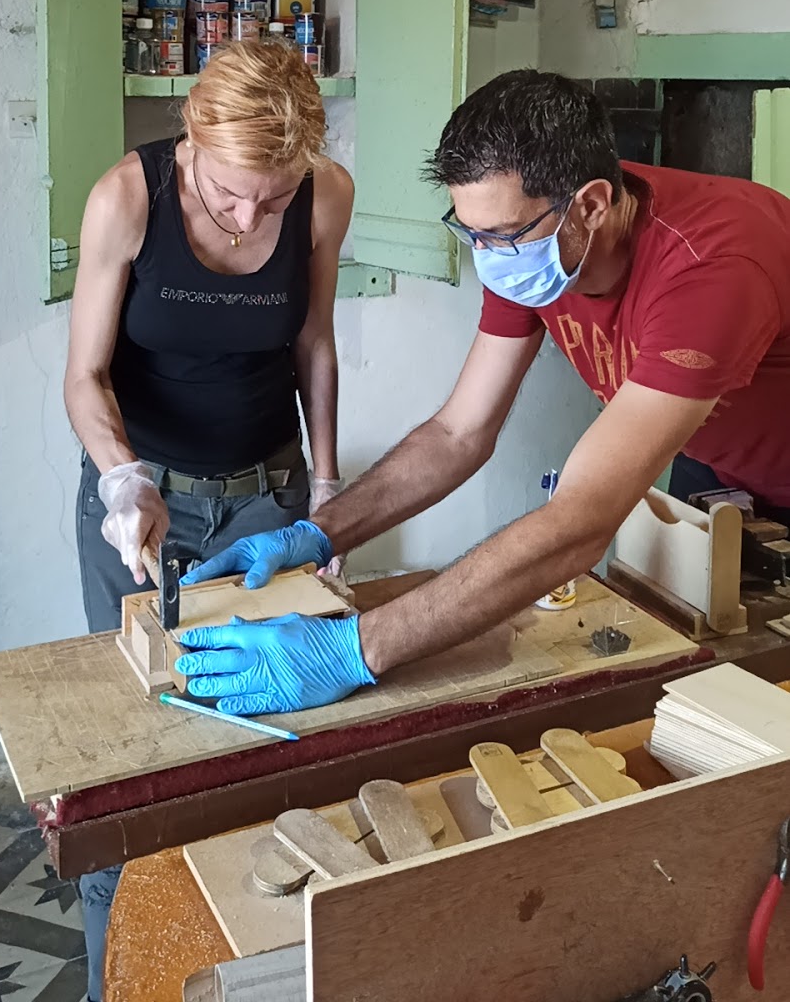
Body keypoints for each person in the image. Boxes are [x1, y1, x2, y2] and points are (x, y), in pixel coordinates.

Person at [172, 68, 790, 718]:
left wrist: (357, 648)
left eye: (501, 237)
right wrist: (318, 533)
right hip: (727, 472)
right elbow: (457, 433)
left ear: (591, 206)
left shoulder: (710, 269)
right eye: (471, 233)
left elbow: (582, 521)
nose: (488, 257)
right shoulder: (535, 239)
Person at [63, 38, 353, 1002]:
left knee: (269, 733)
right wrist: (122, 480)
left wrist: (328, 492)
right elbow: (84, 376)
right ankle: (121, 976)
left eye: (274, 199)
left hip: (267, 501)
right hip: (141, 506)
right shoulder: (127, 198)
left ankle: (258, 970)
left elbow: (314, 344)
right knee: (139, 749)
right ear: (190, 138)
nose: (248, 218)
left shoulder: (325, 195)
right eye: (230, 194)